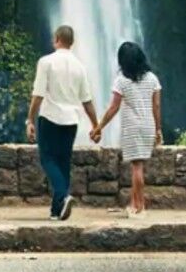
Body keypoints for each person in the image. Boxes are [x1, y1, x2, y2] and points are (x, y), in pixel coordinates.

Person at [26, 25, 97, 221]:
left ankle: (63, 195)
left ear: (56, 39)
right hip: (72, 120)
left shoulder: (46, 62)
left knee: (48, 159)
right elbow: (87, 100)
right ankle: (57, 210)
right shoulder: (80, 66)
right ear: (72, 42)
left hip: (49, 118)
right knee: (64, 161)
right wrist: (95, 124)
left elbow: (38, 94)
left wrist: (30, 119)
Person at [91, 42, 163, 219]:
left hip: (131, 127)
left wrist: (99, 127)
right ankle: (135, 203)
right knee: (139, 166)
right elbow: (156, 105)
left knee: (136, 167)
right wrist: (158, 129)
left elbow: (113, 108)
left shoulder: (121, 81)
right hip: (148, 125)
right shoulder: (152, 79)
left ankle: (139, 208)